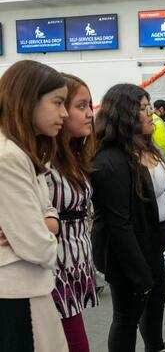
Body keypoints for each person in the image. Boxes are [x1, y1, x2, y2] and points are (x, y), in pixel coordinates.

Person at [91, 84, 165, 352]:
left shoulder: (146, 147)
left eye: (150, 107)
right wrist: (140, 274)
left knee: (155, 306)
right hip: (129, 254)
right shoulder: (110, 161)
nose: (151, 114)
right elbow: (119, 225)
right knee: (127, 317)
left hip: (153, 246)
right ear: (124, 114)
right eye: (143, 108)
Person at [0, 60, 69, 352]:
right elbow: (37, 246)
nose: (63, 113)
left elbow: (50, 214)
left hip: (29, 289)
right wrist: (42, 233)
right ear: (28, 101)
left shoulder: (23, 151)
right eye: (58, 102)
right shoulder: (9, 157)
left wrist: (42, 225)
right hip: (17, 295)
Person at [45, 73, 98, 352]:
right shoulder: (41, 160)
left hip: (75, 261)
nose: (90, 114)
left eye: (90, 105)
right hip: (52, 270)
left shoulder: (75, 156)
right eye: (81, 106)